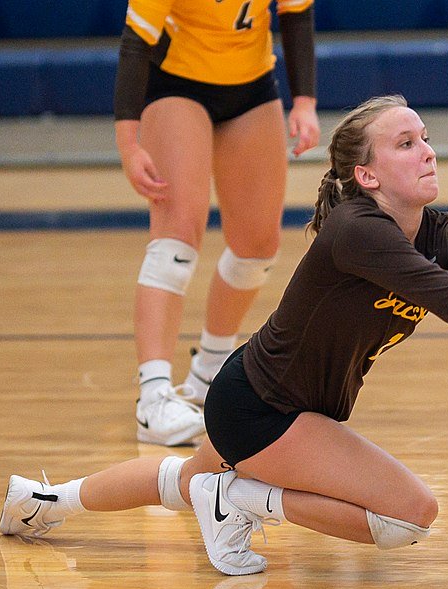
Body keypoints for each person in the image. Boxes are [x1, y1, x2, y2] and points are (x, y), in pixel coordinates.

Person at [0, 95, 448, 576]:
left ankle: (44, 502)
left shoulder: (444, 233)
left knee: (185, 481)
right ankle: (243, 501)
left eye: (426, 138)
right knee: (410, 516)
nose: (427, 151)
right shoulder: (358, 232)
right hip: (262, 410)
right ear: (367, 175)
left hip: (267, 399)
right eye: (405, 143)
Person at [116, 0, 320, 446]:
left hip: (251, 87)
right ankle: (153, 400)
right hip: (175, 84)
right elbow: (135, 44)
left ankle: (209, 373)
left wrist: (304, 102)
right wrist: (129, 144)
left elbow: (296, 12)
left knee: (258, 248)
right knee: (176, 240)